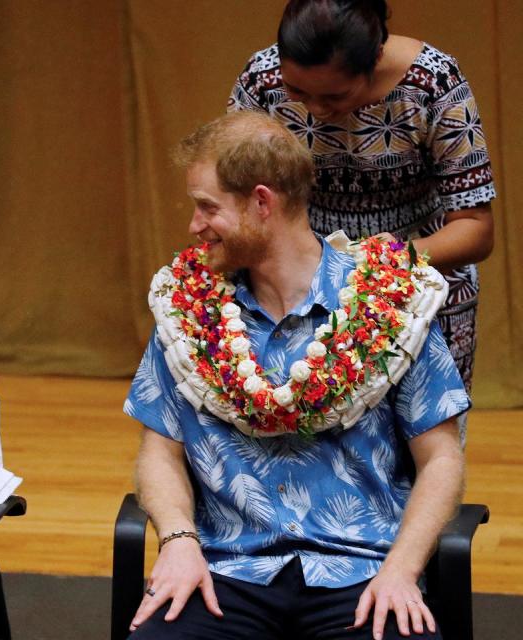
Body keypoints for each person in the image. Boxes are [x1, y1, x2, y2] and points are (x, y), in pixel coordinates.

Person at [125, 112, 467, 640]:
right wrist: (177, 540)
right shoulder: (186, 310)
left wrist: (402, 569)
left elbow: (441, 456)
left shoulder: (392, 303)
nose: (194, 225)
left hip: (361, 572)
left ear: (262, 202)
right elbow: (159, 449)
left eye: (207, 206)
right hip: (224, 570)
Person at [228, 0, 495, 407]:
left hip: (419, 288)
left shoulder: (434, 83)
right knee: (308, 448)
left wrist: (380, 261)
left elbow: (476, 228)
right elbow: (234, 200)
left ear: (375, 59)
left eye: (336, 94)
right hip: (298, 294)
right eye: (297, 91)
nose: (315, 110)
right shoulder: (261, 82)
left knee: (426, 452)